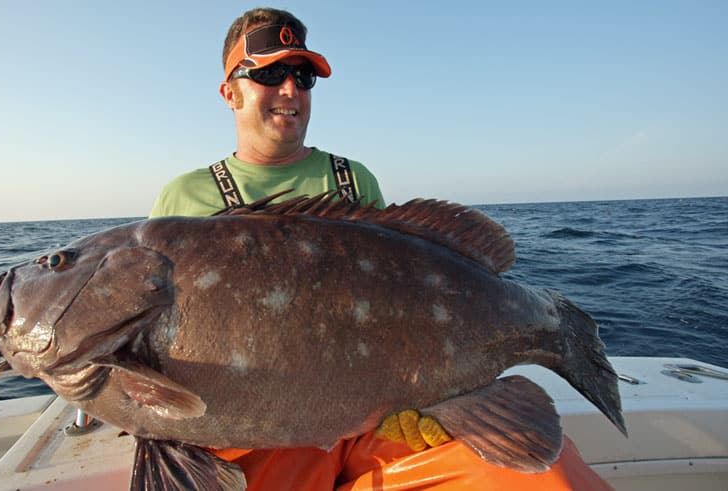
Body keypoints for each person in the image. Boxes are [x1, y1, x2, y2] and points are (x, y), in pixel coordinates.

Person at [150, 7, 614, 491]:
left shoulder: (353, 180)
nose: (290, 90)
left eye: (303, 76)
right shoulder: (183, 199)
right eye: (269, 73)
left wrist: (433, 400)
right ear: (230, 92)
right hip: (254, 430)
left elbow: (405, 297)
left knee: (546, 479)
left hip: (370, 418)